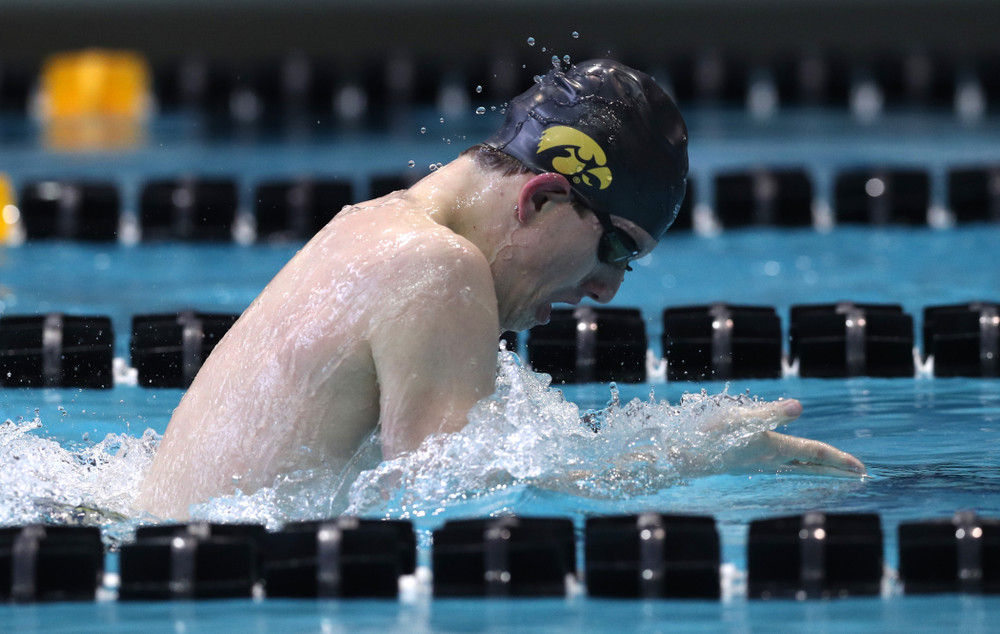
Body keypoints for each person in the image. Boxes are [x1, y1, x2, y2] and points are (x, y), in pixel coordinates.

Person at [136, 59, 865, 520]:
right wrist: (690, 462)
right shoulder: (436, 269)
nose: (607, 289)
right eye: (615, 247)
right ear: (540, 198)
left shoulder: (372, 228)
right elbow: (445, 500)